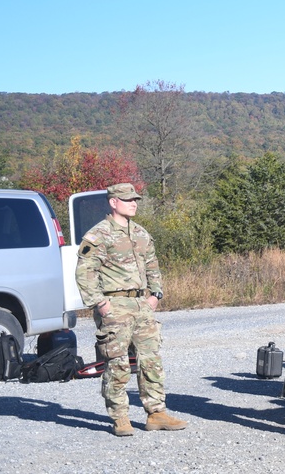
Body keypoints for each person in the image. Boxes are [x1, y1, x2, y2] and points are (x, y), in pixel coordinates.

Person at [75, 183, 188, 437]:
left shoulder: (140, 233)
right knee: (118, 363)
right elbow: (85, 272)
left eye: (135, 199)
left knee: (151, 360)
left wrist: (155, 295)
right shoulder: (99, 235)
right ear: (113, 202)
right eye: (128, 200)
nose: (134, 203)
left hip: (141, 305)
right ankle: (120, 417)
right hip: (114, 306)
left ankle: (156, 413)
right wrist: (100, 304)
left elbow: (152, 265)